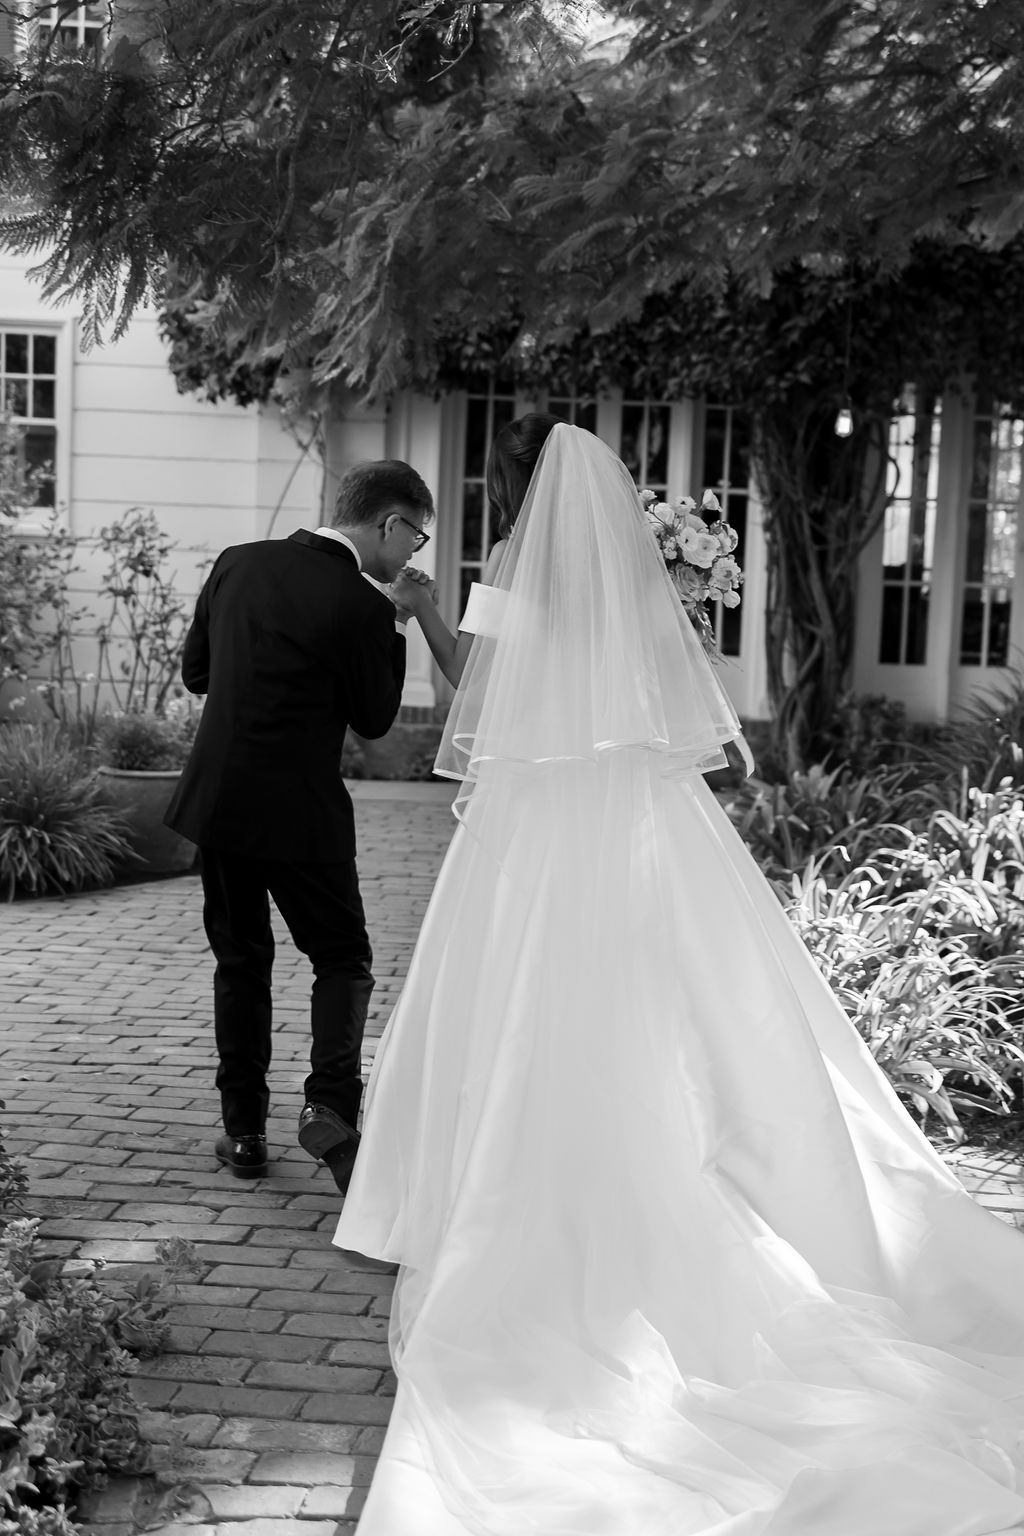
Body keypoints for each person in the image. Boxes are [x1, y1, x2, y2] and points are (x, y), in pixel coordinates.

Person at [334, 418, 1024, 1535]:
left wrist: (424, 619)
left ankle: (470, 1185)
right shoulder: (641, 577)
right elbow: (665, 691)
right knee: (683, 989)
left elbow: (481, 699)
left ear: (510, 497)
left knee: (504, 991)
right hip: (641, 814)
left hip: (532, 822)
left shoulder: (500, 578)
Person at [165, 459, 434, 1190]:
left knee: (240, 960)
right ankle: (330, 1107)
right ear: (389, 523)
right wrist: (400, 621)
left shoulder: (237, 563)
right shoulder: (363, 604)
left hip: (219, 802)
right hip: (303, 814)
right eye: (417, 536)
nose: (415, 553)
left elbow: (197, 674)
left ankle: (243, 1133)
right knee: (342, 959)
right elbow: (377, 720)